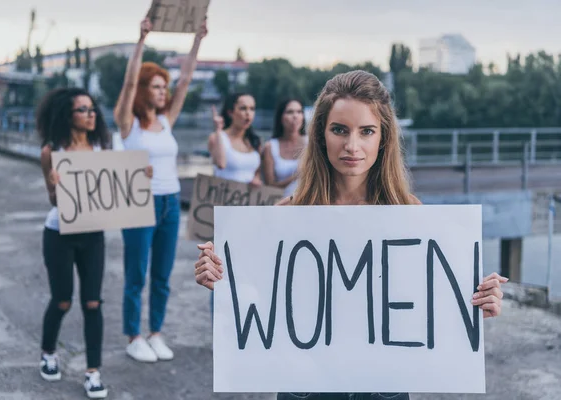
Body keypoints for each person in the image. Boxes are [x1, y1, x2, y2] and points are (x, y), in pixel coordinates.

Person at [193, 70, 508, 399]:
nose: (352, 145)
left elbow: (433, 301)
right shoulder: (287, 215)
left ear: (383, 138)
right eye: (339, 130)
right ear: (320, 136)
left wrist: (478, 300)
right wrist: (218, 273)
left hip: (386, 387)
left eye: (366, 131)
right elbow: (254, 296)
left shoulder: (411, 213)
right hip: (306, 387)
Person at [113, 16, 207, 363]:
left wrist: (197, 40)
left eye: (162, 86)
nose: (162, 91)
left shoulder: (167, 118)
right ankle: (133, 336)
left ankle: (155, 332)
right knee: (136, 273)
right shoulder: (129, 123)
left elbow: (186, 79)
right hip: (140, 203)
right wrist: (141, 40)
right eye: (155, 86)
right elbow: (126, 83)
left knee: (163, 275)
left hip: (169, 204)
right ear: (142, 90)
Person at [37, 88, 111, 399]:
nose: (91, 114)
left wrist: (140, 176)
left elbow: (114, 191)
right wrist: (54, 185)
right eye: (83, 110)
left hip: (93, 234)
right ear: (69, 116)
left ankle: (93, 372)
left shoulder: (102, 149)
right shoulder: (51, 152)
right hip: (60, 234)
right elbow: (55, 201)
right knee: (62, 300)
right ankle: (48, 353)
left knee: (93, 303)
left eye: (93, 109)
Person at [208, 92, 263, 187]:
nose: (248, 113)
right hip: (224, 196)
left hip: (248, 198)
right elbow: (221, 164)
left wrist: (256, 179)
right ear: (231, 112)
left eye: (252, 109)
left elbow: (257, 171)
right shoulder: (217, 137)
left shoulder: (255, 140)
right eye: (243, 108)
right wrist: (218, 130)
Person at [262, 98, 307, 197]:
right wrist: (296, 176)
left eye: (299, 112)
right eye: (290, 112)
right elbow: (269, 185)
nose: (295, 116)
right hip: (281, 204)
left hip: (310, 204)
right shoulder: (270, 147)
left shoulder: (312, 143)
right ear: (281, 117)